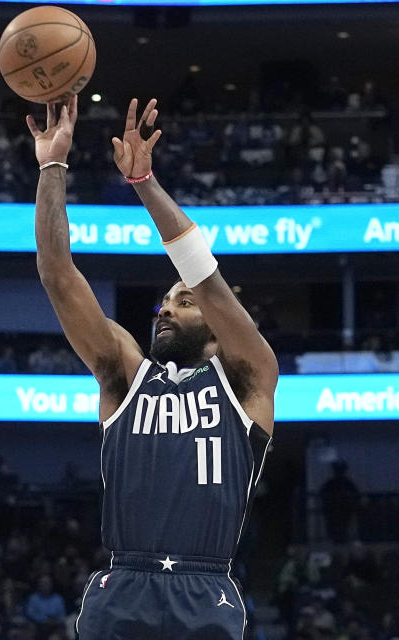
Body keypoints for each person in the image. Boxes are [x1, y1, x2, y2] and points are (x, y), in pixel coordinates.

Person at [28, 95, 277, 639]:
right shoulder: (124, 375)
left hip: (205, 588)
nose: (166, 307)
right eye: (164, 301)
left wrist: (144, 184)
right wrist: (52, 168)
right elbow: (57, 274)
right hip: (123, 584)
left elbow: (207, 279)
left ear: (215, 321)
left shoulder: (249, 376)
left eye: (182, 302)